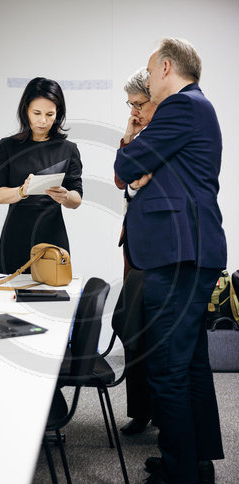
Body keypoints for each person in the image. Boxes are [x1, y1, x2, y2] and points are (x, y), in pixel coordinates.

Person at [110, 38, 226, 484]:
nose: (148, 86)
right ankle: (194, 462)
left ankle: (173, 482)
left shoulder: (182, 106)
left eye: (148, 73)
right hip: (189, 254)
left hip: (178, 256)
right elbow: (135, 174)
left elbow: (126, 161)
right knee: (191, 363)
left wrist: (138, 160)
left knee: (168, 368)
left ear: (163, 67)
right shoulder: (195, 110)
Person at [0, 77, 83, 274]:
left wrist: (65, 196)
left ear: (58, 114)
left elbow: (77, 199)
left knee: (54, 298)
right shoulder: (7, 146)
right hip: (14, 237)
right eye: (37, 113)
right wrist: (23, 191)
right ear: (25, 111)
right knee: (10, 299)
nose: (43, 120)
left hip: (53, 238)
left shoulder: (68, 149)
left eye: (50, 114)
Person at [114, 68, 157, 437]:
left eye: (140, 104)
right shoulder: (138, 136)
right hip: (133, 248)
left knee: (152, 333)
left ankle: (160, 413)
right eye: (131, 105)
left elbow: (135, 179)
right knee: (132, 330)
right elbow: (121, 179)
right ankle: (140, 410)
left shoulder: (165, 137)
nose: (136, 111)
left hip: (155, 249)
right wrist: (129, 135)